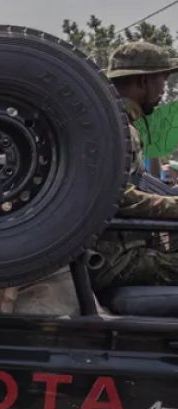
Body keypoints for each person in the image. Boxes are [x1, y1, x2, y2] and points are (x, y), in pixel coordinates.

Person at [91, 42, 178, 292]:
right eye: (163, 79)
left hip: (117, 254)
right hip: (118, 262)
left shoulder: (109, 122)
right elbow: (119, 198)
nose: (164, 89)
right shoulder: (119, 131)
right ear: (143, 82)